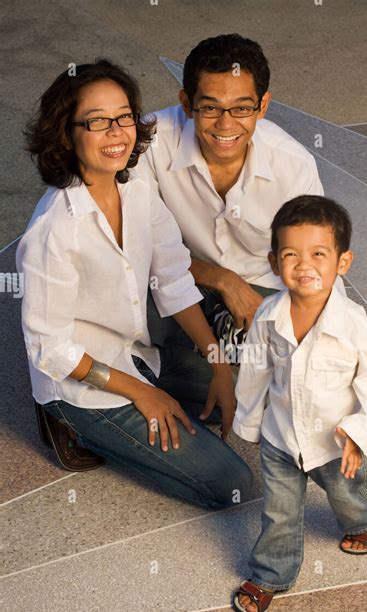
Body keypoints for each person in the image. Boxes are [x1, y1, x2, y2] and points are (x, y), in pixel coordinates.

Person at [17, 59, 253, 509]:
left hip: (136, 353)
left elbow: (173, 278)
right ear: (67, 134)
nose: (117, 132)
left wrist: (218, 361)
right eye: (98, 122)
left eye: (124, 116)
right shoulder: (55, 231)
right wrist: (143, 393)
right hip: (84, 382)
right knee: (232, 483)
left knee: (250, 397)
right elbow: (49, 348)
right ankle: (63, 422)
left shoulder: (137, 191)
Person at [135, 33, 346, 362]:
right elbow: (130, 241)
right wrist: (222, 280)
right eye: (210, 107)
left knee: (314, 360)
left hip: (263, 290)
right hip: (176, 277)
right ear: (187, 104)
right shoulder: (150, 141)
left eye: (241, 108)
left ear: (262, 106)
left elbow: (314, 262)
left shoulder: (293, 166)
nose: (225, 124)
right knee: (116, 304)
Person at [231, 195, 367, 612]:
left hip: (334, 440)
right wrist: (249, 423)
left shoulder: (353, 323)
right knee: (279, 512)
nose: (304, 266)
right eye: (291, 255)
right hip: (281, 438)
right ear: (273, 261)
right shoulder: (268, 317)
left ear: (342, 262)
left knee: (348, 493)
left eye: (319, 254)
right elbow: (255, 370)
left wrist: (359, 431)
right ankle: (271, 574)